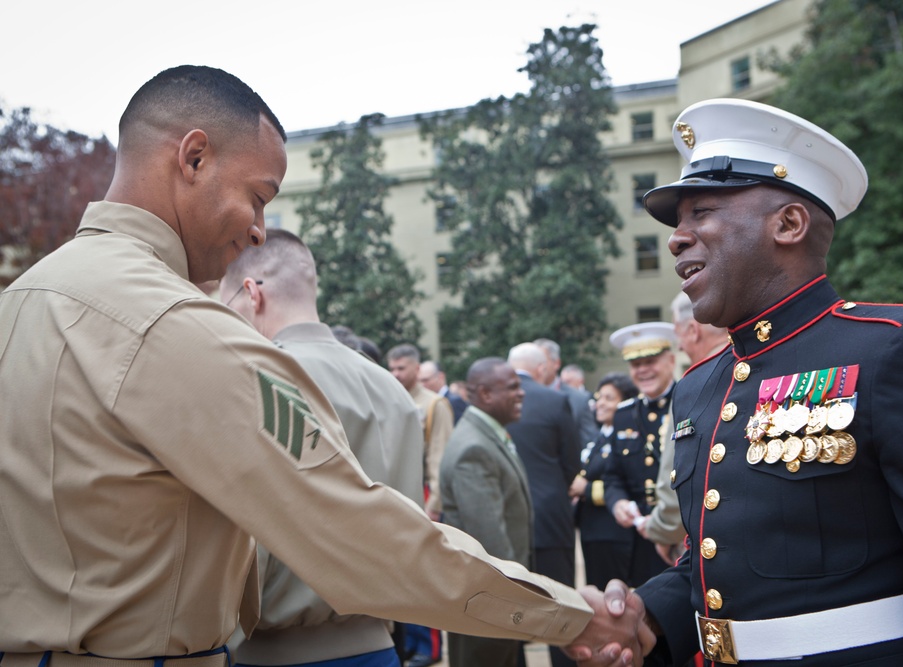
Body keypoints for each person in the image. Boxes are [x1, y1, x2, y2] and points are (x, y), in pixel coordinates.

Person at [0, 64, 653, 667]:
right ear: (193, 156)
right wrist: (572, 614)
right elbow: (357, 532)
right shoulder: (174, 324)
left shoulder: (18, 305)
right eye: (258, 197)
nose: (259, 230)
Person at [576, 98, 903, 666]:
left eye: (702, 211)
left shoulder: (899, 348)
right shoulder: (699, 386)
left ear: (789, 224)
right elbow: (723, 558)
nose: (678, 237)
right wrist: (649, 615)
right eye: (678, 222)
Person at [219, 228, 425, 667]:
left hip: (277, 652)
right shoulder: (392, 389)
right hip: (377, 644)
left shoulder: (256, 379)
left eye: (227, 305)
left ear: (252, 293)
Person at [439, 358, 531, 667]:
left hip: (492, 602)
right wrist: (516, 596)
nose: (522, 393)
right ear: (485, 394)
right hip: (490, 602)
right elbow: (490, 539)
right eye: (513, 387)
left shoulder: (485, 434)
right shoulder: (473, 448)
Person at [506, 342, 583, 667]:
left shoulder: (492, 402)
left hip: (508, 518)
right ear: (540, 369)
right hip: (552, 515)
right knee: (559, 606)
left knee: (509, 609)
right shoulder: (555, 399)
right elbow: (572, 460)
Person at [641, 292, 729, 563]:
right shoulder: (754, 367)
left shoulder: (693, 385)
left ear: (693, 330)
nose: (678, 347)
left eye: (678, 335)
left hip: (707, 547)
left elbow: (675, 479)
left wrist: (660, 530)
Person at [386, 344, 453, 666]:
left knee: (427, 571)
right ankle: (409, 641)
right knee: (402, 572)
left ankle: (430, 646)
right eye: (393, 368)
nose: (396, 374)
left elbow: (440, 456)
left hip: (424, 492)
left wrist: (436, 504)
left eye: (402, 368)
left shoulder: (433, 405)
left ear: (416, 369)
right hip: (398, 490)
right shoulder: (388, 396)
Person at [602, 323, 677, 586]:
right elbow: (612, 476)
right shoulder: (624, 415)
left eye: (650, 360)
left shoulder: (688, 401)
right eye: (635, 364)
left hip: (678, 536)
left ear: (670, 360)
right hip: (637, 540)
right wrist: (617, 502)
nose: (642, 370)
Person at [571, 373, 640, 590]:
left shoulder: (630, 437)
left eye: (609, 398)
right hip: (592, 528)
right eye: (600, 397)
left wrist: (586, 489)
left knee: (612, 594)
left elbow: (631, 484)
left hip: (614, 530)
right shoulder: (600, 436)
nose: (600, 403)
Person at [536, 337, 600, 451]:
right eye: (534, 361)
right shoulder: (521, 396)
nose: (538, 366)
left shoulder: (579, 399)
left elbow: (589, 444)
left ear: (556, 363)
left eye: (542, 361)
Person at [419, 359, 468, 423]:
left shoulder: (454, 401)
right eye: (419, 381)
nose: (422, 385)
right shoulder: (423, 402)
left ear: (440, 377)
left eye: (426, 380)